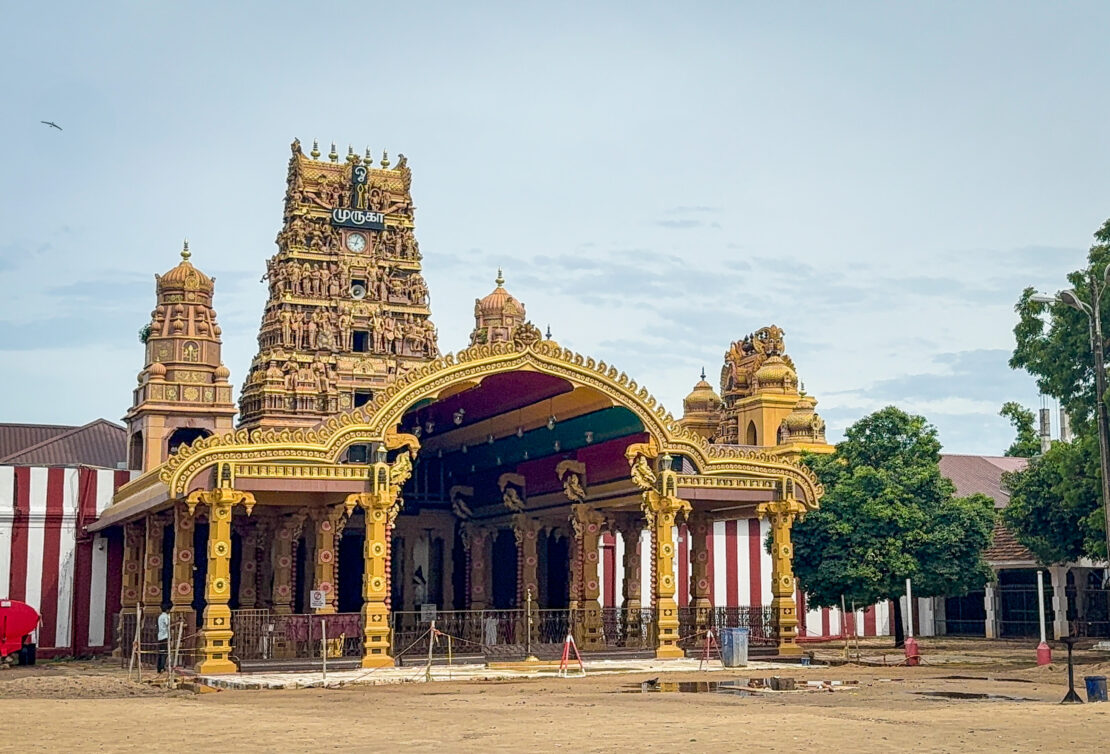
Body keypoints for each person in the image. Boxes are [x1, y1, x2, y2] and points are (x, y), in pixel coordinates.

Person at [157, 604, 171, 673]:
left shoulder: (160, 616)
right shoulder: (165, 616)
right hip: (165, 636)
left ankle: (159, 667)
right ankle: (162, 667)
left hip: (160, 636)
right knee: (164, 653)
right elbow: (168, 624)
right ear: (167, 610)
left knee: (161, 653)